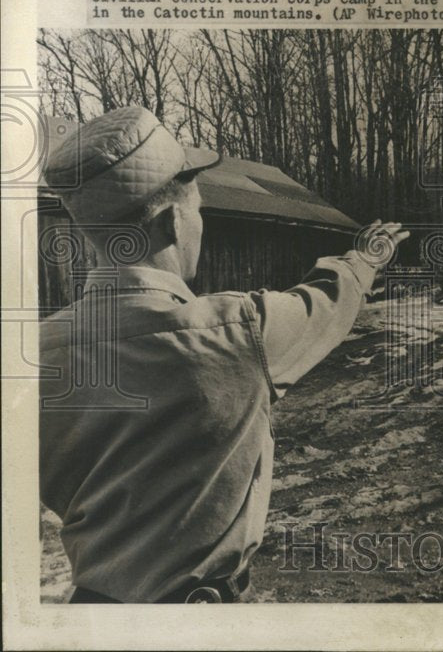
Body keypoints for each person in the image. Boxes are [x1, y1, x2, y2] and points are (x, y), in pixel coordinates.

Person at [39, 106, 408, 603]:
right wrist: (365, 260)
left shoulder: (31, 355)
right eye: (198, 212)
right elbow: (325, 304)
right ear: (172, 222)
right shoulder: (237, 332)